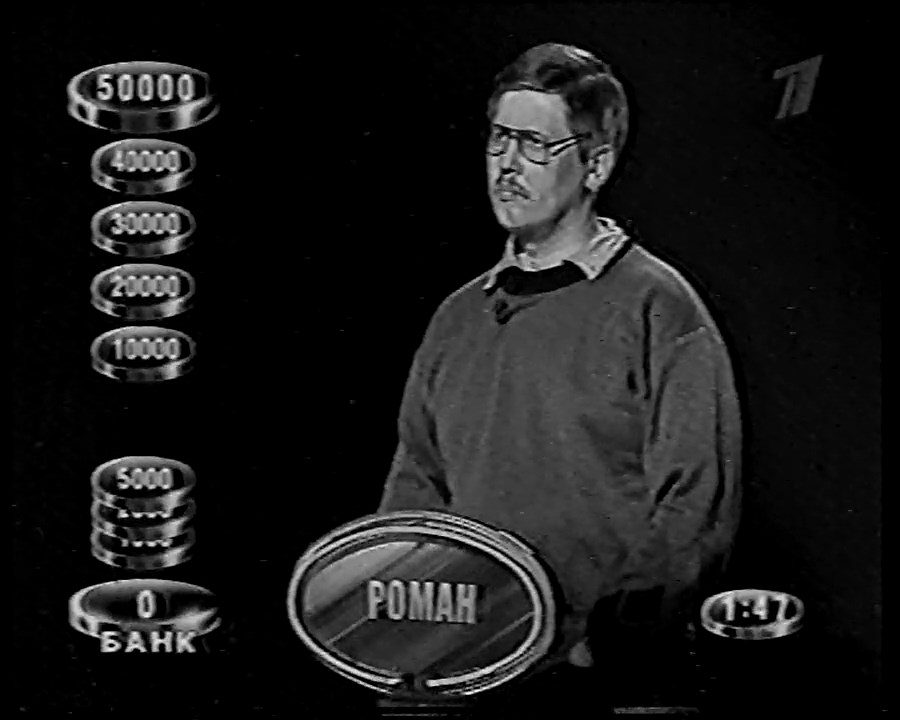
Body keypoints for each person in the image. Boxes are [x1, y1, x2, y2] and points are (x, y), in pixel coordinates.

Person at [377, 42, 742, 709]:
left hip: (595, 681)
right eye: (499, 139)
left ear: (596, 164)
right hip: (470, 671)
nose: (508, 165)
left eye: (536, 145)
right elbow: (416, 484)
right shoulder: (457, 317)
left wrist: (615, 640)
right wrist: (409, 637)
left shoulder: (657, 305)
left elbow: (696, 500)